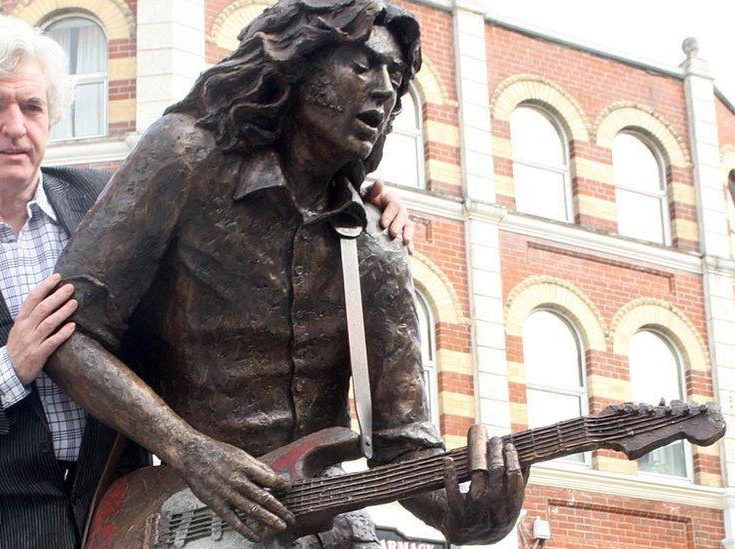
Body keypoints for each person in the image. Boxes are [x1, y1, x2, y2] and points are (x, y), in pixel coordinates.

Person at [0, 13, 414, 548]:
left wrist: (361, 196)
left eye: (32, 108)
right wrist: (5, 371)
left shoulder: (103, 197)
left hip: (125, 515)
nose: (15, 127)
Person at [47, 0, 527, 546]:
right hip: (188, 517)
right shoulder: (183, 159)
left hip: (327, 524)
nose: (385, 89)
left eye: (395, 76)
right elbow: (70, 337)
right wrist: (187, 448)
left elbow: (401, 446)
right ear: (298, 61)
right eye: (362, 63)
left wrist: (467, 517)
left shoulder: (377, 247)